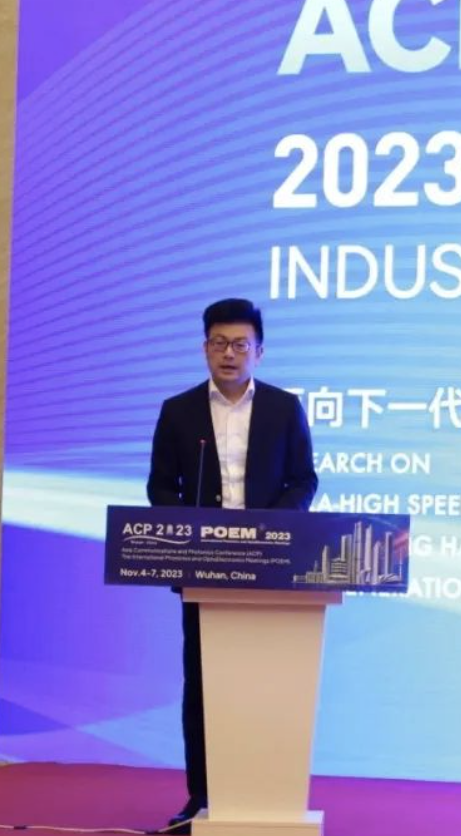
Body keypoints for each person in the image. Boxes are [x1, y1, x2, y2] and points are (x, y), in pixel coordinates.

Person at [146, 298, 319, 832]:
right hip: (204, 571)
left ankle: (266, 793)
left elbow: (303, 479)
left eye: (240, 344)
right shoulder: (178, 411)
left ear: (258, 352)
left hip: (269, 570)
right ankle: (202, 796)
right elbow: (160, 487)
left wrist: (270, 532)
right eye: (219, 343)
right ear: (205, 348)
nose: (229, 353)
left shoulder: (284, 409)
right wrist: (193, 536)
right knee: (202, 687)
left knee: (266, 683)